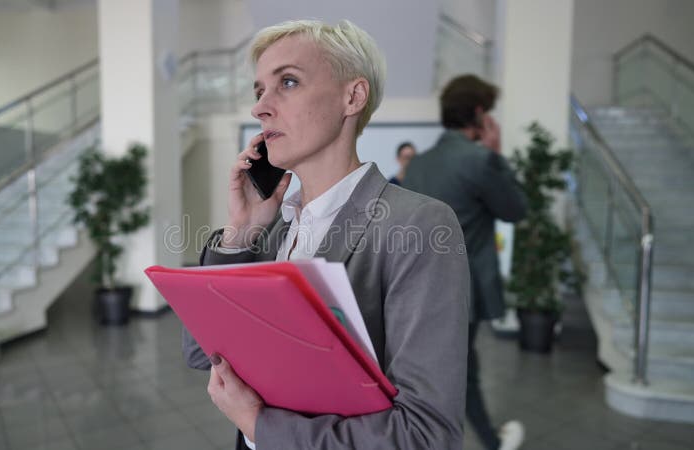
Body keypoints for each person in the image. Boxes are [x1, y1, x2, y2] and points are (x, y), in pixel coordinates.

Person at [182, 19, 470, 450]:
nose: (261, 108)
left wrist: (261, 427)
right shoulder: (273, 228)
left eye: (289, 82)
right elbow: (201, 354)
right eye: (259, 91)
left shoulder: (419, 225)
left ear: (352, 96)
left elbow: (426, 437)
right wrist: (240, 233)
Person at [403, 74, 528, 450]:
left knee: (433, 370)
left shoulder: (418, 165)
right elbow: (515, 210)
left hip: (417, 287)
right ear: (478, 113)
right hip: (464, 289)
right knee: (461, 371)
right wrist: (497, 153)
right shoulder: (481, 160)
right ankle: (489, 442)